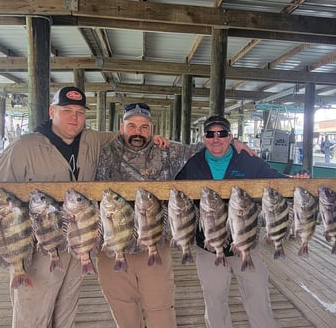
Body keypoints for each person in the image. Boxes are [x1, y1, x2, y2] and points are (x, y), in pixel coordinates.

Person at [0, 87, 169, 328]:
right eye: (66, 111)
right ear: (52, 111)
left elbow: (129, 135)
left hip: (78, 245)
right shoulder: (24, 147)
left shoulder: (92, 140)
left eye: (79, 112)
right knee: (32, 315)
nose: (74, 117)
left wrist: (157, 140)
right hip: (39, 247)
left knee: (66, 312)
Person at [95, 103, 255, 328]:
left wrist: (233, 142)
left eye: (144, 126)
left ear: (152, 128)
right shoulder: (103, 152)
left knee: (161, 311)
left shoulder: (168, 151)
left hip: (155, 246)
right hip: (113, 247)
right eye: (131, 125)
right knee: (123, 311)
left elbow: (205, 147)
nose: (138, 132)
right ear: (121, 127)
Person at [175, 115, 310, 328]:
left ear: (231, 137)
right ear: (204, 137)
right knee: (214, 301)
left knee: (258, 297)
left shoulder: (248, 160)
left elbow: (275, 179)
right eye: (211, 134)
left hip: (246, 242)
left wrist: (297, 181)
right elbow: (174, 192)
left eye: (222, 134)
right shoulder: (193, 164)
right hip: (209, 245)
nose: (216, 139)